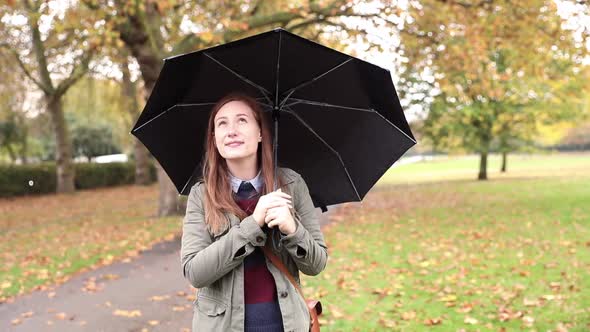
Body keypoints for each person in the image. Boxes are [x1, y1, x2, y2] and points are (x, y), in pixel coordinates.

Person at [180, 91, 328, 331]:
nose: (231, 130)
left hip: (285, 324)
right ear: (214, 138)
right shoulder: (201, 195)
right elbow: (195, 272)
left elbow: (316, 264)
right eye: (222, 123)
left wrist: (292, 228)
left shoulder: (291, 185)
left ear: (260, 133)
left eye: (242, 120)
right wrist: (253, 224)